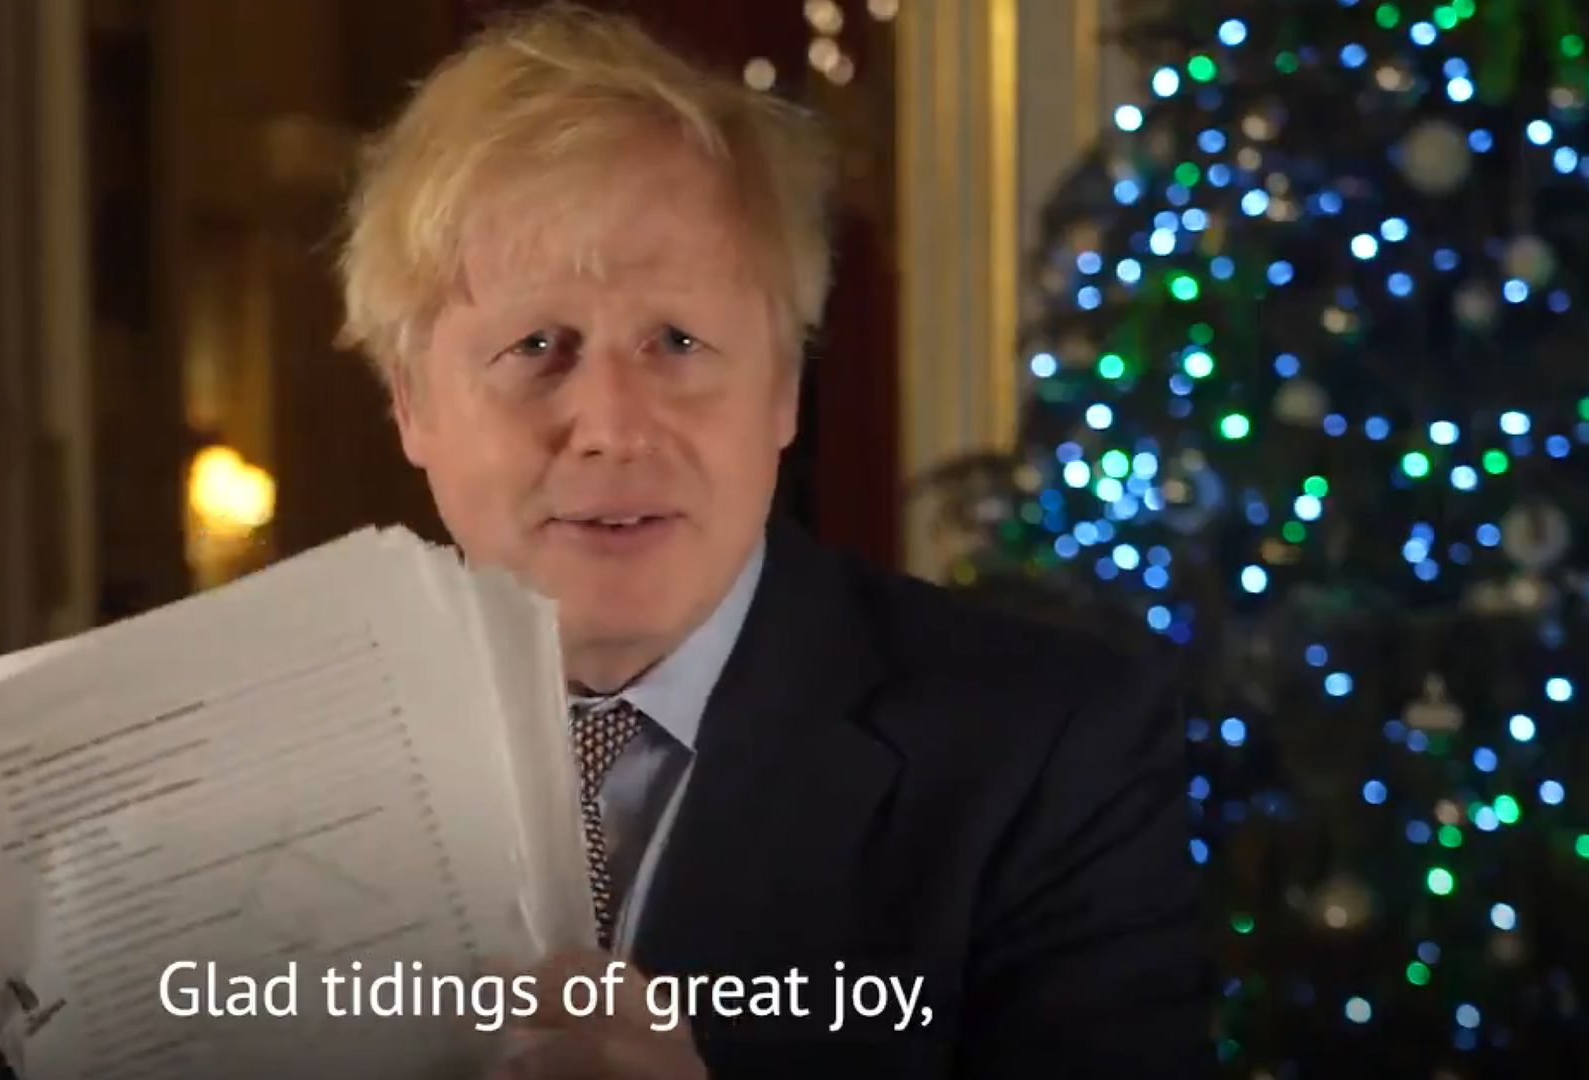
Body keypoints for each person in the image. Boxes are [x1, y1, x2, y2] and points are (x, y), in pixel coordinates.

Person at [337, 5, 1206, 1076]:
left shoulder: (1051, 752)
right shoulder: (244, 783)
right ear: (411, 403)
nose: (612, 425)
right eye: (535, 346)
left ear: (785, 387)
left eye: (679, 341)